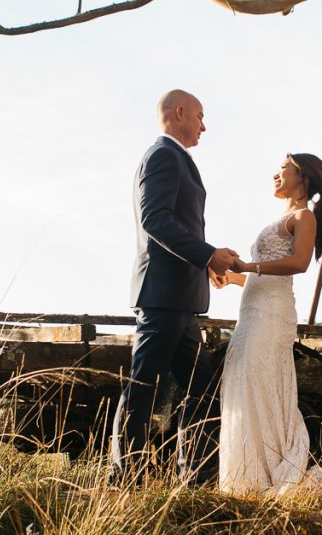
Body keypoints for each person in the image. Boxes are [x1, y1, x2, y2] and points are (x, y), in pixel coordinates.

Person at [110, 89, 240, 485]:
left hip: (182, 298)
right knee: (142, 383)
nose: (204, 125)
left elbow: (176, 225)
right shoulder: (163, 155)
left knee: (199, 389)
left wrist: (206, 266)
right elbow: (155, 221)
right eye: (200, 116)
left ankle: (193, 478)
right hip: (163, 297)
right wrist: (207, 254)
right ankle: (125, 478)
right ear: (179, 112)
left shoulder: (176, 158)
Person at [213, 153, 322, 495]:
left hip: (271, 319)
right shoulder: (283, 216)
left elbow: (300, 263)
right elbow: (262, 276)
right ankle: (248, 472)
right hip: (253, 313)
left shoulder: (304, 216)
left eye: (283, 169)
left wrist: (248, 266)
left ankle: (270, 467)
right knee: (246, 385)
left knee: (262, 385)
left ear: (301, 176)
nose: (275, 174)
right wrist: (233, 279)